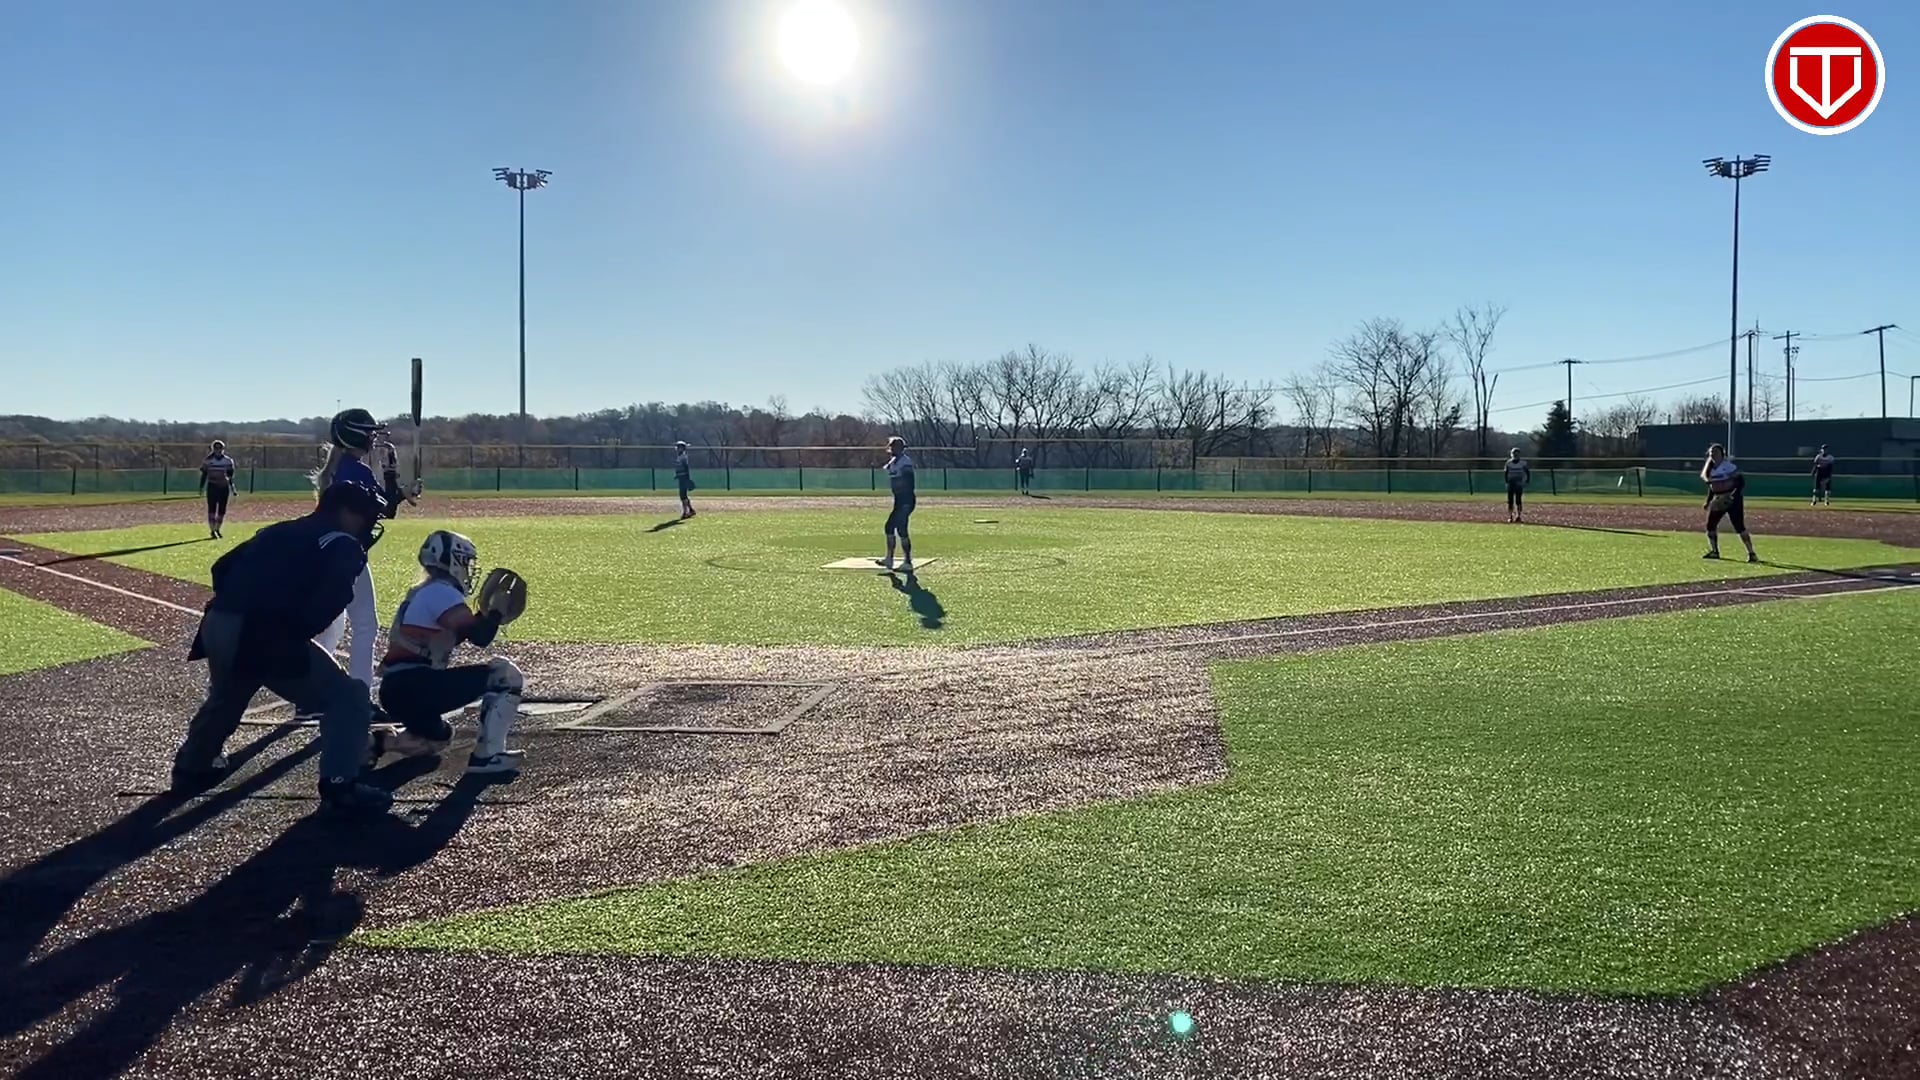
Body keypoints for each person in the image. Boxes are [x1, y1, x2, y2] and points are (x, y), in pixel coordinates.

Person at [171, 479, 395, 819]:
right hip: (260, 630)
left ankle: (192, 766)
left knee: (232, 691)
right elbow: (326, 604)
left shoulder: (282, 529)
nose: (369, 523)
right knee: (347, 697)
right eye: (366, 515)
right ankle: (340, 786)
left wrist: (243, 603)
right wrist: (284, 637)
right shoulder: (342, 544)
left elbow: (222, 568)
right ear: (346, 512)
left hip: (218, 620)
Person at [373, 530, 527, 776]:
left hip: (398, 688)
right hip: (413, 686)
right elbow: (480, 637)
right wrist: (495, 612)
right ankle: (487, 757)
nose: (468, 569)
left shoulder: (427, 591)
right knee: (505, 676)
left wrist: (486, 616)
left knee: (438, 739)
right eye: (466, 562)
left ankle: (375, 743)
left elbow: (468, 631)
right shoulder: (442, 592)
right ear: (452, 560)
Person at [307, 409, 399, 714]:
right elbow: (385, 509)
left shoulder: (337, 468)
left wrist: (398, 488)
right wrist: (392, 477)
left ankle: (310, 694)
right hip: (347, 555)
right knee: (365, 626)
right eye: (369, 432)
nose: (373, 438)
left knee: (330, 626)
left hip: (324, 554)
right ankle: (359, 697)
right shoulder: (356, 470)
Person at [1701, 443, 1759, 563]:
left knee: (1739, 526)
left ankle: (1751, 553)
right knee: (1710, 525)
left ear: (1722, 454)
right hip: (1719, 499)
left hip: (1733, 500)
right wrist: (1708, 501)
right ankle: (1714, 551)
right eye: (1711, 452)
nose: (1713, 454)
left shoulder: (1729, 467)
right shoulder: (1709, 469)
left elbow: (1740, 482)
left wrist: (1732, 496)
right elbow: (1712, 487)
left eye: (1716, 452)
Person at [881, 435, 915, 572]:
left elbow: (909, 480)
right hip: (899, 500)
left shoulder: (905, 462)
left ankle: (907, 561)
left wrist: (905, 499)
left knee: (898, 528)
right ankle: (890, 559)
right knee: (891, 527)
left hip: (905, 499)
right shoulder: (895, 461)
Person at [376, 430, 422, 516]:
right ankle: (401, 493)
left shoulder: (387, 447)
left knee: (389, 503)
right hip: (387, 475)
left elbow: (389, 462)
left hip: (388, 474)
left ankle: (401, 493)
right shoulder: (383, 447)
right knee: (389, 500)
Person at [198, 440, 237, 539]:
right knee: (212, 509)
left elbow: (230, 476)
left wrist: (233, 488)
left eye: (220, 448)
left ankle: (217, 528)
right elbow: (204, 474)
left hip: (223, 488)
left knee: (222, 510)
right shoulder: (208, 460)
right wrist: (201, 487)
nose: (218, 451)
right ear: (213, 449)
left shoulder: (228, 461)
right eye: (216, 448)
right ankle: (212, 530)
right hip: (212, 487)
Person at [1502, 448, 1531, 523]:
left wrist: (1527, 481)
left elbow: (1527, 472)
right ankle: (1510, 516)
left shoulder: (1523, 463)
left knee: (1518, 500)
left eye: (1517, 454)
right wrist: (1506, 482)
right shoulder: (1508, 463)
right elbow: (1506, 473)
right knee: (1510, 501)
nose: (1515, 455)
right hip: (1511, 483)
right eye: (1514, 454)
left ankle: (1518, 516)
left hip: (1519, 483)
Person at [674, 440, 696, 519]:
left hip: (683, 478)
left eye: (678, 447)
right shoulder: (680, 456)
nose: (677, 449)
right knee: (684, 495)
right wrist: (677, 475)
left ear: (682, 448)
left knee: (682, 495)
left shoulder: (683, 456)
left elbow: (686, 468)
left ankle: (685, 512)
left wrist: (687, 478)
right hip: (681, 477)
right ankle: (691, 510)